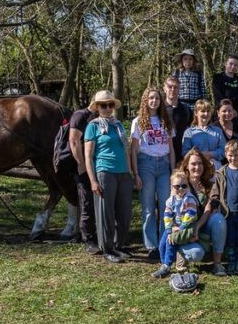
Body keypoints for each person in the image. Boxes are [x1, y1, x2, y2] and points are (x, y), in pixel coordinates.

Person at [82, 91, 133, 263]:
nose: (107, 108)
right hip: (105, 171)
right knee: (106, 213)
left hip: (123, 172)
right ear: (97, 107)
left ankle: (119, 245)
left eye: (110, 104)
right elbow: (88, 156)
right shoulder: (93, 127)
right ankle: (107, 248)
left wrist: (131, 172)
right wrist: (93, 180)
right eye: (103, 105)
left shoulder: (118, 125)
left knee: (124, 212)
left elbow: (126, 150)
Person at [130, 86, 176, 259]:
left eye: (157, 98)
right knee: (148, 208)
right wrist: (136, 174)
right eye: (151, 98)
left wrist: (173, 172)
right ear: (145, 100)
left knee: (166, 206)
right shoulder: (138, 121)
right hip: (146, 164)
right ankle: (151, 246)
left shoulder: (166, 120)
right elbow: (133, 150)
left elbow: (171, 149)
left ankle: (165, 242)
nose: (154, 101)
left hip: (163, 165)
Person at [176, 149, 229, 276]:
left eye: (200, 164)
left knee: (218, 219)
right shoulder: (179, 184)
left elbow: (208, 210)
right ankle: (180, 253)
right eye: (193, 164)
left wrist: (197, 227)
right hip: (184, 229)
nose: (197, 167)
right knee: (196, 254)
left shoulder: (210, 185)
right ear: (187, 166)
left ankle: (217, 264)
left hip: (202, 227)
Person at [211, 140, 238, 275]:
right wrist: (214, 203)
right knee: (229, 239)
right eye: (230, 155)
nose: (233, 158)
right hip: (227, 213)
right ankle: (231, 261)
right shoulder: (221, 173)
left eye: (236, 155)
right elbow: (215, 191)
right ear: (226, 154)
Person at [151, 172, 205, 279]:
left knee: (171, 241)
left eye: (184, 186)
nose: (180, 189)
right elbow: (167, 215)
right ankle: (164, 264)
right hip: (174, 227)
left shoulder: (189, 199)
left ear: (187, 186)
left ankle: (167, 265)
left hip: (187, 227)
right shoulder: (171, 200)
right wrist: (168, 229)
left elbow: (190, 214)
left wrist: (180, 228)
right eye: (177, 186)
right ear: (171, 187)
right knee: (162, 244)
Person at [65, 98, 98, 254]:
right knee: (86, 202)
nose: (105, 106)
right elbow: (74, 141)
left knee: (95, 201)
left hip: (99, 165)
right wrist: (81, 165)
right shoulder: (80, 116)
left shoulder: (102, 117)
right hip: (84, 166)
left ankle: (99, 234)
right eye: (102, 103)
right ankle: (88, 238)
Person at [182, 99, 227, 170]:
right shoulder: (189, 132)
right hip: (196, 168)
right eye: (203, 111)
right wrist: (198, 154)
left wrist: (211, 154)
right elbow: (185, 153)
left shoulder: (217, 131)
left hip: (215, 168)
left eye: (208, 111)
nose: (206, 114)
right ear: (196, 113)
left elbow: (224, 150)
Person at [163, 76, 191, 165]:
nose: (172, 89)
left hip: (182, 153)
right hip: (162, 154)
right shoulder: (159, 109)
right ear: (164, 88)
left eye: (175, 87)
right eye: (170, 86)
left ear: (179, 89)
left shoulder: (186, 109)